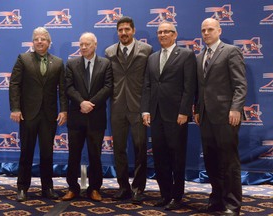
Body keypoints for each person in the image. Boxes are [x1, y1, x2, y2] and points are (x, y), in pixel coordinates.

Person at [141, 21, 197, 211]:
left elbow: (190, 87)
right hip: (156, 115)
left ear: (175, 34)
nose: (163, 35)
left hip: (176, 116)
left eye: (167, 32)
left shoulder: (186, 55)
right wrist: (146, 110)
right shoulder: (152, 57)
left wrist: (184, 111)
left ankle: (177, 196)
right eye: (160, 32)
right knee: (159, 157)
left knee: (177, 157)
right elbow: (147, 85)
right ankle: (164, 195)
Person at [194, 18, 247, 216]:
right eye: (203, 30)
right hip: (206, 116)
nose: (206, 33)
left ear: (219, 30)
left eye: (210, 29)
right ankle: (216, 199)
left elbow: (240, 84)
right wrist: (198, 110)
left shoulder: (231, 51)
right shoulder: (200, 56)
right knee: (211, 160)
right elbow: (200, 88)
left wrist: (235, 108)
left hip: (226, 115)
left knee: (229, 161)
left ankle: (232, 204)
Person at [9, 27, 68, 202]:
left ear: (49, 43)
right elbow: (14, 85)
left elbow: (63, 90)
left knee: (47, 153)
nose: (40, 41)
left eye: (43, 39)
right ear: (32, 42)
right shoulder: (23, 59)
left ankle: (47, 188)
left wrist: (64, 110)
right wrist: (15, 108)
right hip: (28, 114)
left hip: (49, 116)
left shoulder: (58, 62)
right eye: (36, 39)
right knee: (26, 152)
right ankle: (22, 188)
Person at [105, 16, 152, 204]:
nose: (123, 33)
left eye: (127, 29)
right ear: (117, 32)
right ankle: (123, 187)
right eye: (120, 30)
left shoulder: (146, 50)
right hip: (117, 107)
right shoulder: (109, 52)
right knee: (119, 149)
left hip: (139, 107)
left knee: (140, 149)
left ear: (133, 30)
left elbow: (149, 80)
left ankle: (139, 188)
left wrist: (146, 107)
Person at [61, 32, 113, 202]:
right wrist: (81, 102)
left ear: (95, 45)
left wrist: (91, 103)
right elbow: (68, 88)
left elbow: (108, 87)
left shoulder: (105, 63)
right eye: (81, 44)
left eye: (87, 44)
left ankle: (95, 188)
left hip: (96, 117)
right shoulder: (71, 63)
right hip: (77, 116)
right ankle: (72, 188)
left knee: (95, 155)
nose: (83, 47)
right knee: (73, 155)